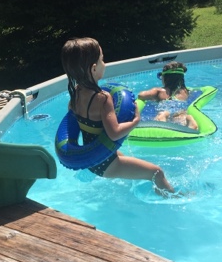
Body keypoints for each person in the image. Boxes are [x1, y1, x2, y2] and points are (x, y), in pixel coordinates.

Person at [61, 37, 174, 196]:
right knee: (157, 173)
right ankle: (173, 198)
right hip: (106, 163)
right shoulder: (102, 98)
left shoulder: (76, 95)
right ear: (94, 68)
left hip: (90, 160)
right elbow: (114, 133)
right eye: (102, 59)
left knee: (127, 159)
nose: (104, 64)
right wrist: (135, 121)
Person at [137, 61, 198, 130]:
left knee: (161, 114)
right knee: (181, 116)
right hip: (180, 107)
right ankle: (187, 119)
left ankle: (163, 115)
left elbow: (141, 95)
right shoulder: (186, 92)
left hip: (165, 108)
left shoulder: (159, 91)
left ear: (165, 78)